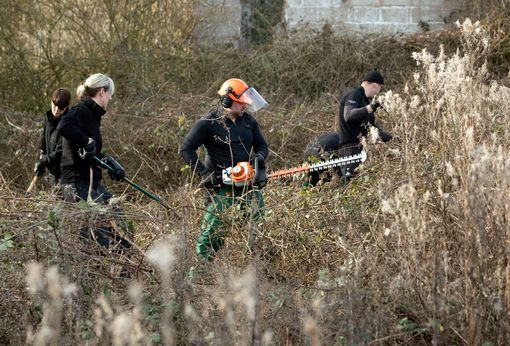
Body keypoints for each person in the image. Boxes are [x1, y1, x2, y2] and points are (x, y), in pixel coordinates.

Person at [180, 78, 269, 262]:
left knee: (259, 221)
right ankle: (199, 271)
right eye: (241, 102)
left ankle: (258, 264)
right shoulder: (208, 122)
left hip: (247, 185)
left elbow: (262, 146)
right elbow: (186, 149)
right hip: (221, 187)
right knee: (213, 233)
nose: (245, 105)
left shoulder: (248, 121)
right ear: (227, 100)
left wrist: (258, 159)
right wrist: (205, 174)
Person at [57, 73, 130, 251]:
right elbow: (64, 126)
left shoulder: (92, 115)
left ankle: (124, 273)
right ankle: (92, 275)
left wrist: (110, 164)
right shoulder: (81, 110)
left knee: (124, 235)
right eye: (110, 93)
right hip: (77, 184)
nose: (111, 98)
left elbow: (91, 152)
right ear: (102, 92)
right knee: (96, 244)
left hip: (92, 184)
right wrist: (86, 141)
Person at [337, 70, 394, 177]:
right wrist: (371, 107)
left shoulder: (365, 101)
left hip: (360, 149)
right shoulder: (355, 94)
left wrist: (395, 139)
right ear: (374, 85)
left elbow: (374, 131)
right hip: (350, 150)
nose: (377, 93)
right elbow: (348, 115)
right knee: (351, 184)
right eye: (379, 88)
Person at [33, 88, 71, 188]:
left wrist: (45, 160)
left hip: (66, 173)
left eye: (61, 108)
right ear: (51, 102)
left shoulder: (69, 122)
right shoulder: (48, 118)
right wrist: (41, 157)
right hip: (52, 171)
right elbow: (44, 139)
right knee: (54, 199)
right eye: (55, 106)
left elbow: (61, 151)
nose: (56, 110)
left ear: (66, 107)